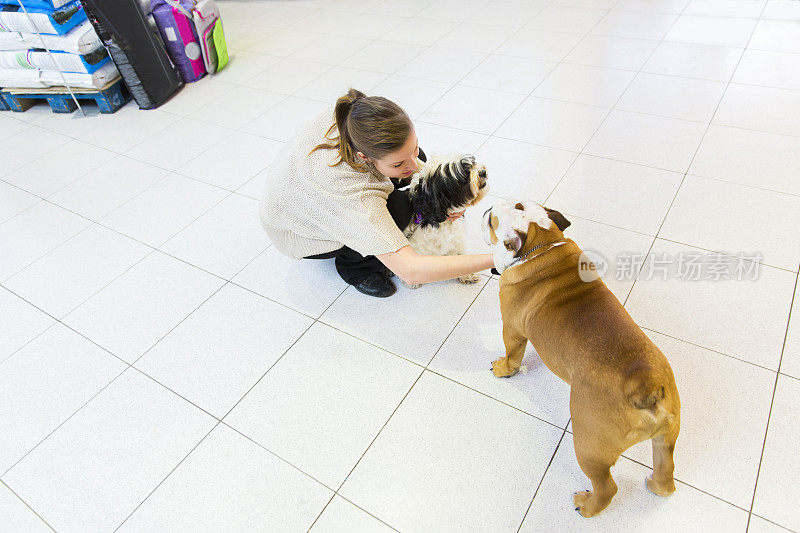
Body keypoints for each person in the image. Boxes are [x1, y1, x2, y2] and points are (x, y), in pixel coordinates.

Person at [259, 88, 495, 298]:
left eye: (412, 147)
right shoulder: (354, 196)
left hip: (302, 189)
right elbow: (411, 271)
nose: (414, 166)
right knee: (400, 210)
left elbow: (415, 162)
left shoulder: (355, 115)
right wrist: (498, 259)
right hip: (297, 231)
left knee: (418, 161)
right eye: (399, 164)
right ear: (364, 157)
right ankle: (356, 267)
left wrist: (440, 190)